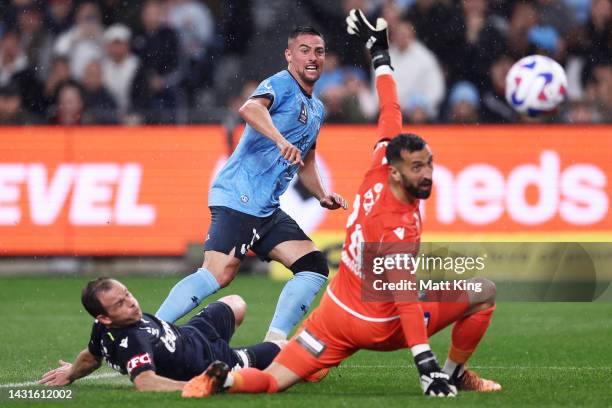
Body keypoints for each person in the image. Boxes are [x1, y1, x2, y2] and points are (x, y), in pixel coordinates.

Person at [181, 10, 502, 399]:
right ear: (399, 175)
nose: (428, 174)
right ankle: (452, 373)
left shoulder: (382, 160)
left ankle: (223, 379)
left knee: (277, 379)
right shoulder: (395, 222)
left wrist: (379, 55)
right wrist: (426, 366)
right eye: (419, 167)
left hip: (334, 316)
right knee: (482, 289)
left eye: (430, 164)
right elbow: (403, 298)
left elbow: (389, 109)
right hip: (378, 321)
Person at [156, 26, 347, 344]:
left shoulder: (317, 109)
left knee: (313, 266)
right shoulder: (282, 83)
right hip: (239, 196)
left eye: (319, 51)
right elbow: (250, 108)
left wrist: (322, 195)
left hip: (266, 208)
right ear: (289, 55)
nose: (313, 57)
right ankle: (151, 330)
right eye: (304, 50)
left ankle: (275, 343)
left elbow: (307, 161)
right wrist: (279, 139)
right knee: (219, 272)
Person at [39, 277, 282, 392]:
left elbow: (92, 356)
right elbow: (145, 382)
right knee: (285, 348)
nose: (132, 303)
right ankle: (239, 362)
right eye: (120, 304)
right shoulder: (132, 340)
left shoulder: (103, 327)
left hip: (194, 331)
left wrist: (71, 373)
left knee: (235, 302)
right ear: (104, 317)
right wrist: (195, 385)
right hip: (212, 357)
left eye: (127, 293)